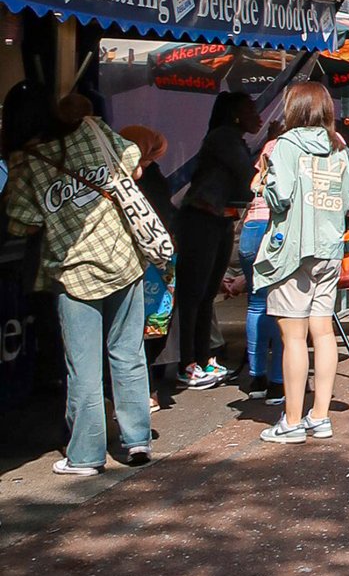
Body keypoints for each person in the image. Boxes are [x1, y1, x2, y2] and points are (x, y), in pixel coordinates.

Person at [5, 85, 152, 474]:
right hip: (124, 258)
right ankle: (137, 440)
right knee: (128, 354)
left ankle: (86, 455)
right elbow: (134, 158)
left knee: (83, 367)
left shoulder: (25, 162)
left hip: (76, 273)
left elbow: (23, 222)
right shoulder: (93, 129)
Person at [255, 82, 349, 445]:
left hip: (293, 251)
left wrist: (265, 184)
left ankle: (291, 420)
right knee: (322, 332)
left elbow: (281, 196)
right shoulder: (340, 147)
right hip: (331, 249)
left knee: (293, 337)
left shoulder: (287, 145)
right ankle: (320, 415)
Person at [174, 91, 260, 391]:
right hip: (201, 219)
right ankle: (187, 364)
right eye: (251, 110)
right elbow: (249, 176)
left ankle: (203, 357)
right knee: (193, 294)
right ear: (236, 114)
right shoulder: (223, 138)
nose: (258, 116)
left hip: (220, 218)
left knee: (207, 294)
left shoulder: (233, 139)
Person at [120, 125, 177, 412]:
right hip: (156, 263)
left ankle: (144, 392)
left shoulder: (133, 176)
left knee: (136, 329)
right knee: (150, 328)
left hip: (143, 263)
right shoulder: (146, 177)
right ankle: (148, 391)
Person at [235, 123, 285, 403]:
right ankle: (278, 381)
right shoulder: (318, 144)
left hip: (252, 228)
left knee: (257, 302)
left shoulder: (272, 145)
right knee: (283, 304)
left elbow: (257, 184)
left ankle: (257, 378)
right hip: (278, 229)